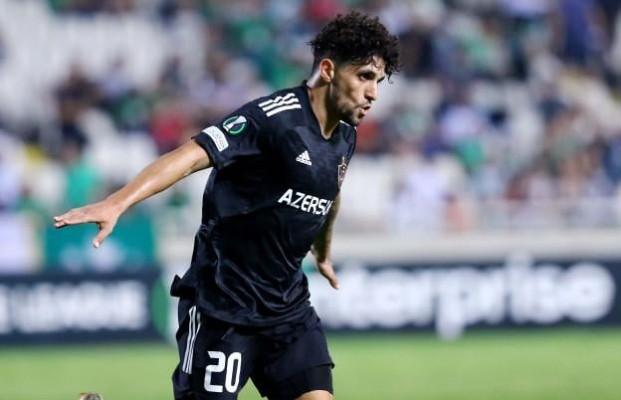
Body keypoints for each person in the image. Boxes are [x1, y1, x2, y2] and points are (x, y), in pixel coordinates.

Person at [54, 11, 400, 400]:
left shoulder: (345, 137)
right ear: (329, 70)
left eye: (378, 81)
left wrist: (323, 250)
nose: (373, 93)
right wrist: (117, 202)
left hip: (287, 310)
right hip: (223, 308)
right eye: (364, 77)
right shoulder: (272, 119)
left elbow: (329, 192)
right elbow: (190, 156)